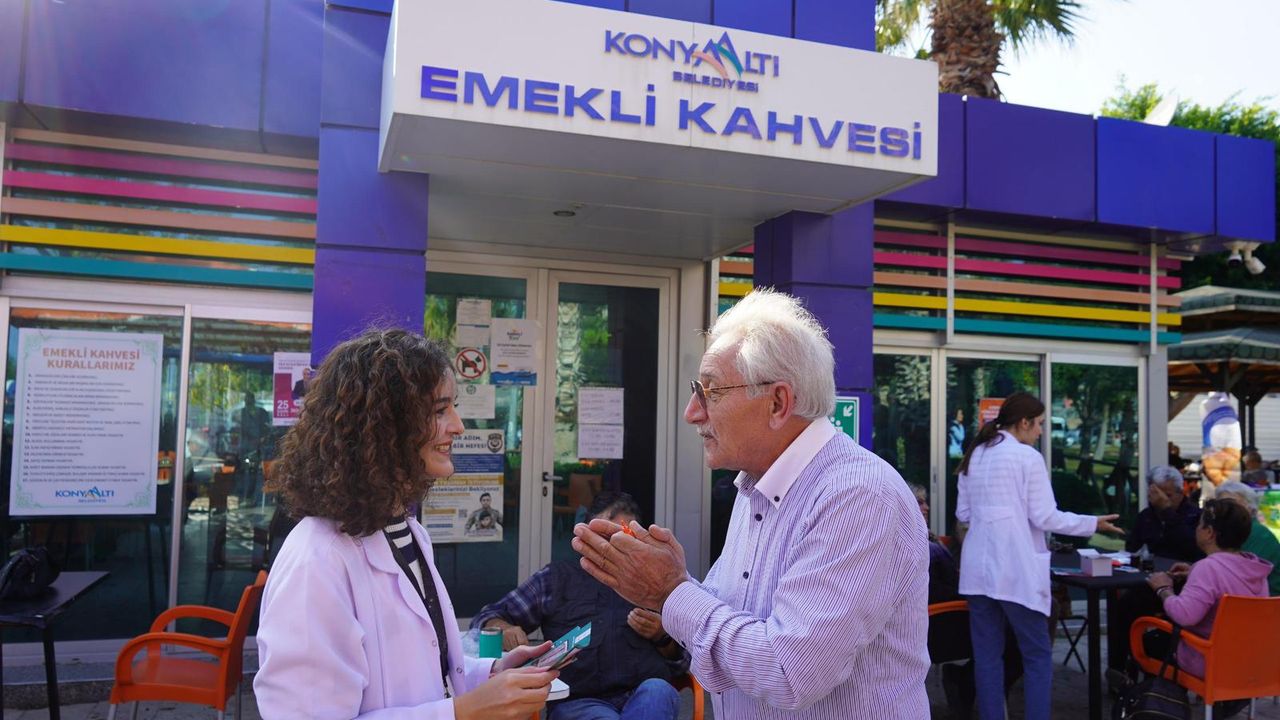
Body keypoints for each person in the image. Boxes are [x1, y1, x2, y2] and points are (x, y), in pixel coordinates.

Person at [572, 289, 931, 718]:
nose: (692, 412)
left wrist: (671, 591)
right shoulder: (756, 484)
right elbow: (736, 629)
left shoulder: (856, 495)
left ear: (777, 403)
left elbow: (788, 672)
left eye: (711, 391)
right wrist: (672, 583)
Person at [254, 329, 558, 720]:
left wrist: (490, 674)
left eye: (453, 408)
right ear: (385, 426)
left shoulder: (406, 531)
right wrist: (465, 712)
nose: (458, 426)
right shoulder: (316, 561)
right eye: (439, 411)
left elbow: (422, 671)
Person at [955, 391, 1123, 720]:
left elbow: (964, 514)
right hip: (1015, 570)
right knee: (1037, 656)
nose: (1042, 431)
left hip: (977, 571)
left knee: (987, 658)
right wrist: (1092, 523)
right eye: (1040, 424)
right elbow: (1046, 517)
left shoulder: (975, 455)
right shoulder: (1026, 458)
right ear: (1024, 422)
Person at [472, 491, 687, 720]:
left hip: (643, 695)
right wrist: (504, 628)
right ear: (587, 537)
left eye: (623, 536)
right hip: (578, 701)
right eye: (605, 535)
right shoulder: (555, 579)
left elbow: (684, 662)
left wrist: (662, 636)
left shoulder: (652, 582)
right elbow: (487, 618)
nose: (613, 544)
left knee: (659, 690)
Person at [1143, 499, 1271, 718]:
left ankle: (1161, 707)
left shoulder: (1208, 568)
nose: (1196, 528)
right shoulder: (1255, 567)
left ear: (1210, 533)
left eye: (1199, 524)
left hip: (1211, 661)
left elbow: (1184, 616)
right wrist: (1194, 572)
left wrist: (1163, 588)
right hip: (1249, 662)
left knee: (1151, 640)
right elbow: (1226, 579)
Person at [1126, 465, 1204, 563]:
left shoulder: (1197, 516)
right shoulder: (1145, 516)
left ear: (1180, 492)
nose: (1162, 500)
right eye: (1157, 495)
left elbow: (1194, 548)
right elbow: (1132, 549)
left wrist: (1168, 513)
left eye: (1168, 495)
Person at [1216, 481, 1280, 595]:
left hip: (1263, 601)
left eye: (1232, 505)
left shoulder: (1258, 533)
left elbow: (1240, 575)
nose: (1225, 510)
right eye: (1221, 505)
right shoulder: (1227, 530)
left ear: (1251, 508)